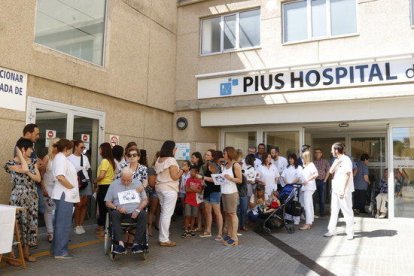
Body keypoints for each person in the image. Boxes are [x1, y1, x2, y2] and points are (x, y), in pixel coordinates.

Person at [5, 138, 41, 262]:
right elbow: (25, 169)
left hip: (31, 197)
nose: (32, 150)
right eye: (30, 148)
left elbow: (38, 179)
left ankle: (26, 253)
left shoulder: (34, 161)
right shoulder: (10, 164)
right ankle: (12, 255)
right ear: (23, 149)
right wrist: (20, 154)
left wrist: (30, 174)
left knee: (29, 225)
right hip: (18, 199)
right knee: (17, 226)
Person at [104, 167, 148, 254]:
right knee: (114, 214)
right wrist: (117, 208)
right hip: (120, 212)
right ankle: (121, 244)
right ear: (120, 177)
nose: (126, 182)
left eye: (129, 180)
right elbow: (107, 202)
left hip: (135, 212)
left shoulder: (138, 183)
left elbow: (145, 200)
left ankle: (136, 244)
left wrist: (138, 210)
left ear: (132, 177)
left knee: (143, 214)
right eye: (123, 180)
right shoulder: (114, 184)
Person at [52, 139, 80, 259]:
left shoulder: (61, 158)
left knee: (60, 223)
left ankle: (57, 249)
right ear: (66, 149)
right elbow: (60, 177)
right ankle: (60, 252)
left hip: (64, 194)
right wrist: (72, 187)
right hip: (65, 195)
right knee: (63, 224)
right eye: (71, 148)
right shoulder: (61, 158)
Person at [155, 140, 183, 247]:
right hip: (169, 189)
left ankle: (162, 237)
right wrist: (182, 171)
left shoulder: (159, 159)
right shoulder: (171, 160)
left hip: (160, 188)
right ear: (172, 149)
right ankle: (164, 239)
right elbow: (174, 176)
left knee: (164, 213)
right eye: (175, 148)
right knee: (167, 214)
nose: (176, 150)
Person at [324, 142, 354, 240]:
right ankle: (331, 230)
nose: (331, 151)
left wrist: (343, 189)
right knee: (334, 210)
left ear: (336, 150)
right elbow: (331, 171)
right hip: (335, 189)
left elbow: (347, 174)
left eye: (332, 149)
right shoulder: (337, 160)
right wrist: (336, 162)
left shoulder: (346, 160)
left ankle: (350, 232)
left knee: (347, 211)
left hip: (343, 190)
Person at [68, 140, 92, 235]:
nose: (83, 149)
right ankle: (76, 225)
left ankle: (81, 224)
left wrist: (92, 183)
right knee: (78, 204)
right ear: (75, 147)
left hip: (85, 182)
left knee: (85, 204)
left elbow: (89, 170)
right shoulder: (69, 158)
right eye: (81, 147)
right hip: (75, 183)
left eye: (84, 147)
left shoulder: (85, 157)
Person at [199, 150, 223, 240]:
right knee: (207, 211)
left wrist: (202, 178)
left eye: (208, 155)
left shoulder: (215, 166)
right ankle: (208, 230)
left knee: (217, 212)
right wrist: (202, 182)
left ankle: (220, 233)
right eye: (206, 154)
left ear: (212, 157)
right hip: (207, 190)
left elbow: (217, 180)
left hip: (215, 191)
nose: (206, 155)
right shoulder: (204, 166)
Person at [222, 147, 242, 247]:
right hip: (224, 192)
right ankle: (230, 234)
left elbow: (240, 180)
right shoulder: (225, 165)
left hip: (232, 192)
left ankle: (235, 237)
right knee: (227, 214)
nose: (223, 155)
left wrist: (230, 178)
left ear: (229, 154)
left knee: (233, 214)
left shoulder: (236, 165)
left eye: (224, 153)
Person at [94, 142, 116, 237]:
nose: (99, 151)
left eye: (100, 149)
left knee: (102, 208)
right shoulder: (111, 161)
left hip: (104, 187)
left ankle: (102, 229)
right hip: (110, 186)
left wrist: (95, 180)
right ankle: (105, 227)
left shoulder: (104, 161)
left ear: (103, 150)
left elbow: (102, 175)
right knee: (107, 208)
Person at [40, 138, 59, 242]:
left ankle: (57, 232)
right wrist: (43, 188)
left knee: (57, 211)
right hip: (48, 187)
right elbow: (41, 175)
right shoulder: (47, 158)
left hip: (59, 188)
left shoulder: (61, 158)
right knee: (49, 211)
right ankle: (50, 233)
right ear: (52, 146)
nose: (57, 147)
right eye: (55, 145)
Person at [281, 153, 302, 225]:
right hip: (287, 188)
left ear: (295, 159)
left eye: (292, 158)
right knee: (287, 203)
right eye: (289, 158)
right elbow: (283, 176)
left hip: (295, 187)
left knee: (295, 203)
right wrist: (287, 182)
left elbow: (298, 177)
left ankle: (296, 219)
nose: (290, 160)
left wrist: (291, 183)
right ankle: (288, 218)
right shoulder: (287, 167)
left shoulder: (298, 167)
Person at [182, 166, 203, 238]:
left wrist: (192, 188)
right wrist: (195, 189)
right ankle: (186, 230)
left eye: (192, 172)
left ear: (196, 173)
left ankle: (191, 229)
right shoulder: (188, 180)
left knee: (194, 216)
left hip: (196, 201)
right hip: (188, 200)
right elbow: (187, 190)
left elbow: (200, 191)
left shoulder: (199, 181)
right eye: (190, 172)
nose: (191, 173)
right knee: (187, 215)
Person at [299, 151, 318, 230]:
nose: (302, 159)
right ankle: (310, 221)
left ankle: (308, 223)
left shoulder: (311, 165)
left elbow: (316, 174)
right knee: (309, 205)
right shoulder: (305, 166)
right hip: (307, 187)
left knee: (307, 205)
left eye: (303, 157)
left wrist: (307, 180)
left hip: (309, 187)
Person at [313, 148, 330, 217]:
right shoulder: (313, 162)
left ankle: (322, 213)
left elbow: (329, 170)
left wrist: (325, 180)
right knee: (314, 197)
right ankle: (313, 213)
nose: (317, 154)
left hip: (322, 181)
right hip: (314, 181)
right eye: (316, 152)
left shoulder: (325, 161)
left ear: (321, 154)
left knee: (322, 198)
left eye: (318, 152)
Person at [147, 152, 160, 237]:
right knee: (152, 210)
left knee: (159, 210)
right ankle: (149, 227)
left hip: (161, 191)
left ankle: (157, 225)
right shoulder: (152, 169)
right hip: (154, 191)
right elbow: (152, 184)